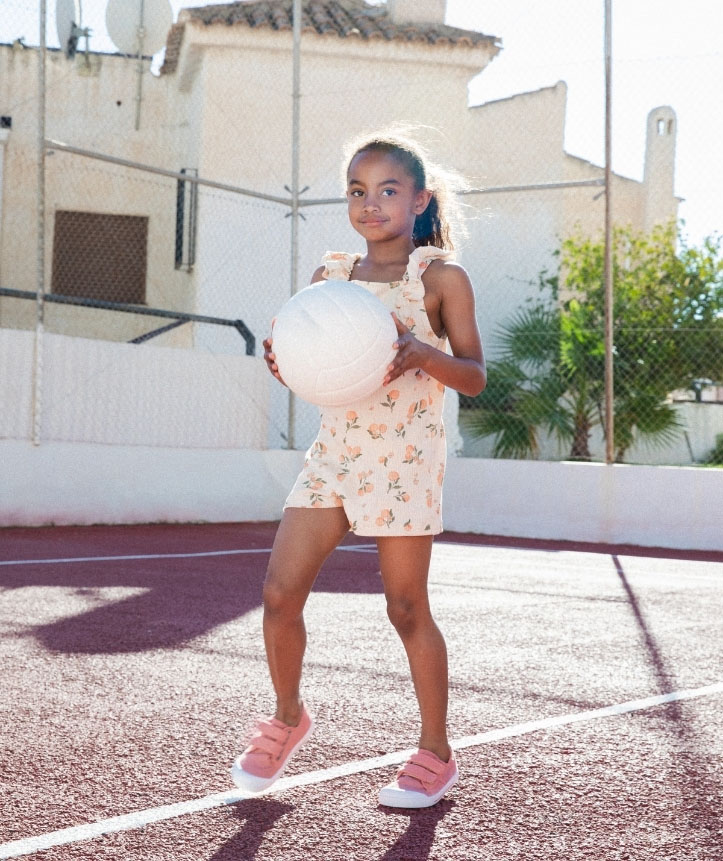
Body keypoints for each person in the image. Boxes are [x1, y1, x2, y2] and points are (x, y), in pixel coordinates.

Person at [231, 132, 486, 808]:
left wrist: (420, 353)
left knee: (406, 608)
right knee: (279, 593)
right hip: (335, 456)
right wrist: (288, 361)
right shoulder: (331, 278)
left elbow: (474, 375)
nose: (369, 203)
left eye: (387, 190)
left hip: (404, 461)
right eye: (356, 190)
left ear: (419, 200)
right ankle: (288, 716)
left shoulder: (440, 279)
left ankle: (435, 751)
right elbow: (319, 364)